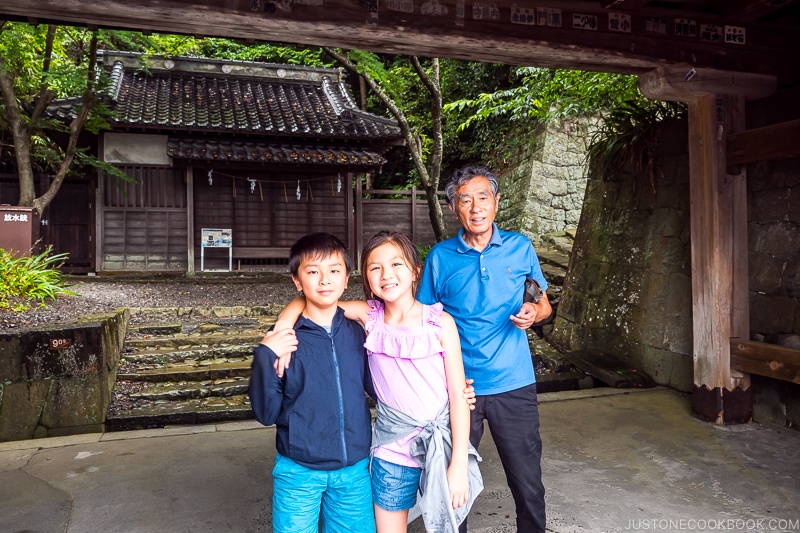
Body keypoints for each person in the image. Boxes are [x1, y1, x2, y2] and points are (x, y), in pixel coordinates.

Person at [274, 230, 483, 533]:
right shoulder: (369, 316)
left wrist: (459, 464)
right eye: (375, 267)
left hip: (442, 446)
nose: (387, 275)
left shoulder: (440, 323)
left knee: (447, 524)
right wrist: (284, 321)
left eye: (397, 264)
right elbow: (315, 300)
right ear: (365, 277)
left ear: (415, 271)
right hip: (391, 451)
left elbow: (459, 396)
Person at [417, 165, 553, 533]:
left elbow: (544, 303)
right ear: (453, 208)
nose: (476, 207)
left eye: (483, 197)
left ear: (496, 203)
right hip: (460, 389)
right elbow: (423, 321)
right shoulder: (440, 258)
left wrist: (533, 312)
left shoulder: (520, 247)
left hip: (514, 383)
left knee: (527, 481)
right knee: (451, 482)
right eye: (465, 199)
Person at [248, 233, 376, 533]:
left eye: (334, 271)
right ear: (297, 281)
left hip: (353, 470)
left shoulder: (359, 332)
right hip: (298, 471)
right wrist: (265, 358)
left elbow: (380, 385)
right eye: (312, 271)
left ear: (346, 279)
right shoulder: (283, 339)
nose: (324, 280)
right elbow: (266, 413)